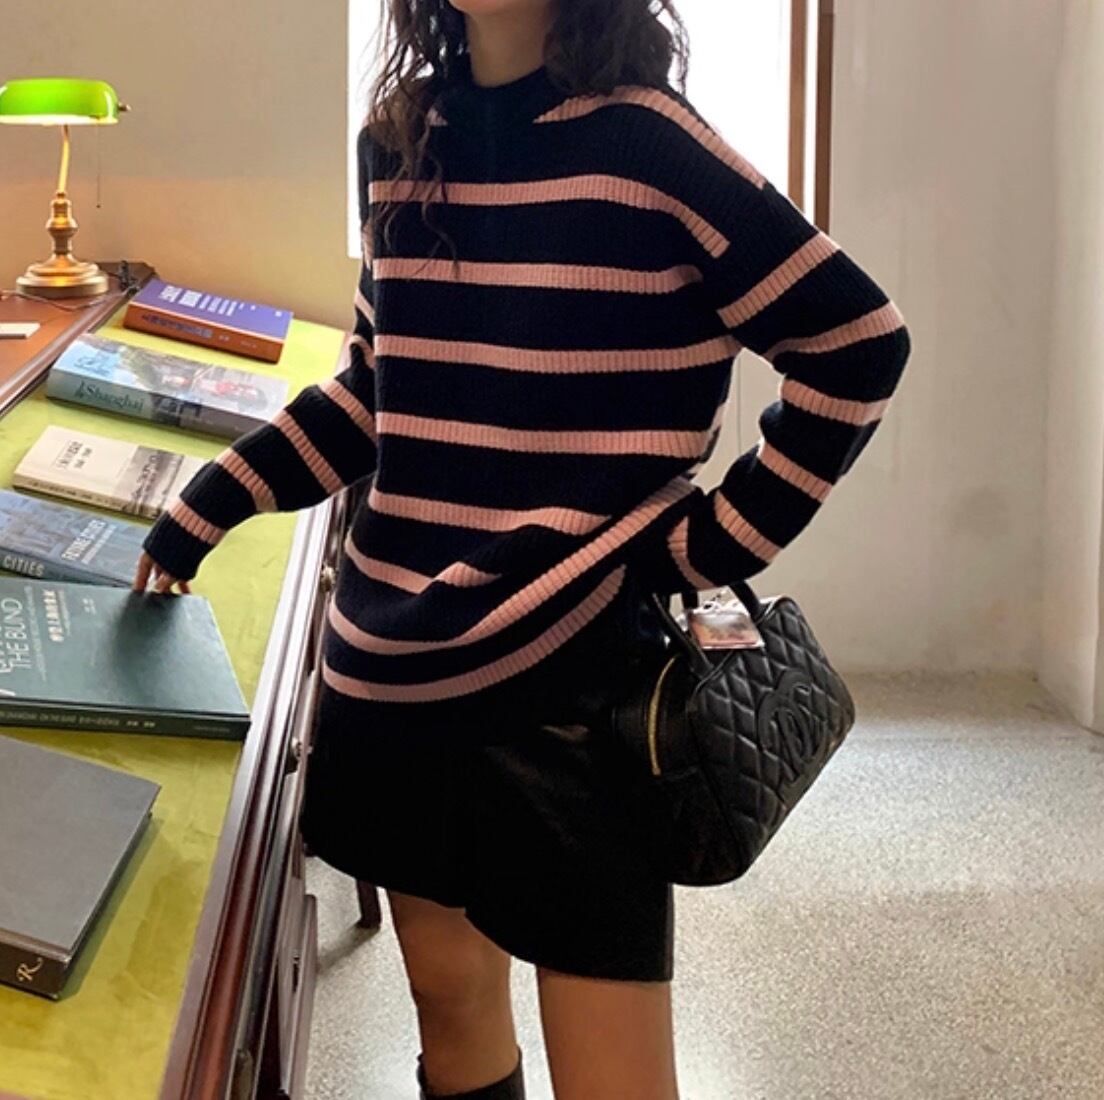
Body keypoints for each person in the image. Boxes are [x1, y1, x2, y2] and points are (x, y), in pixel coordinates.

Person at [134, 1, 912, 1096]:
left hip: (575, 693)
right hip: (394, 678)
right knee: (453, 1023)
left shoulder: (649, 144)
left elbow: (856, 342)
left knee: (614, 1077)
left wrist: (707, 544)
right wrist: (210, 501)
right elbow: (378, 391)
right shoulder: (398, 140)